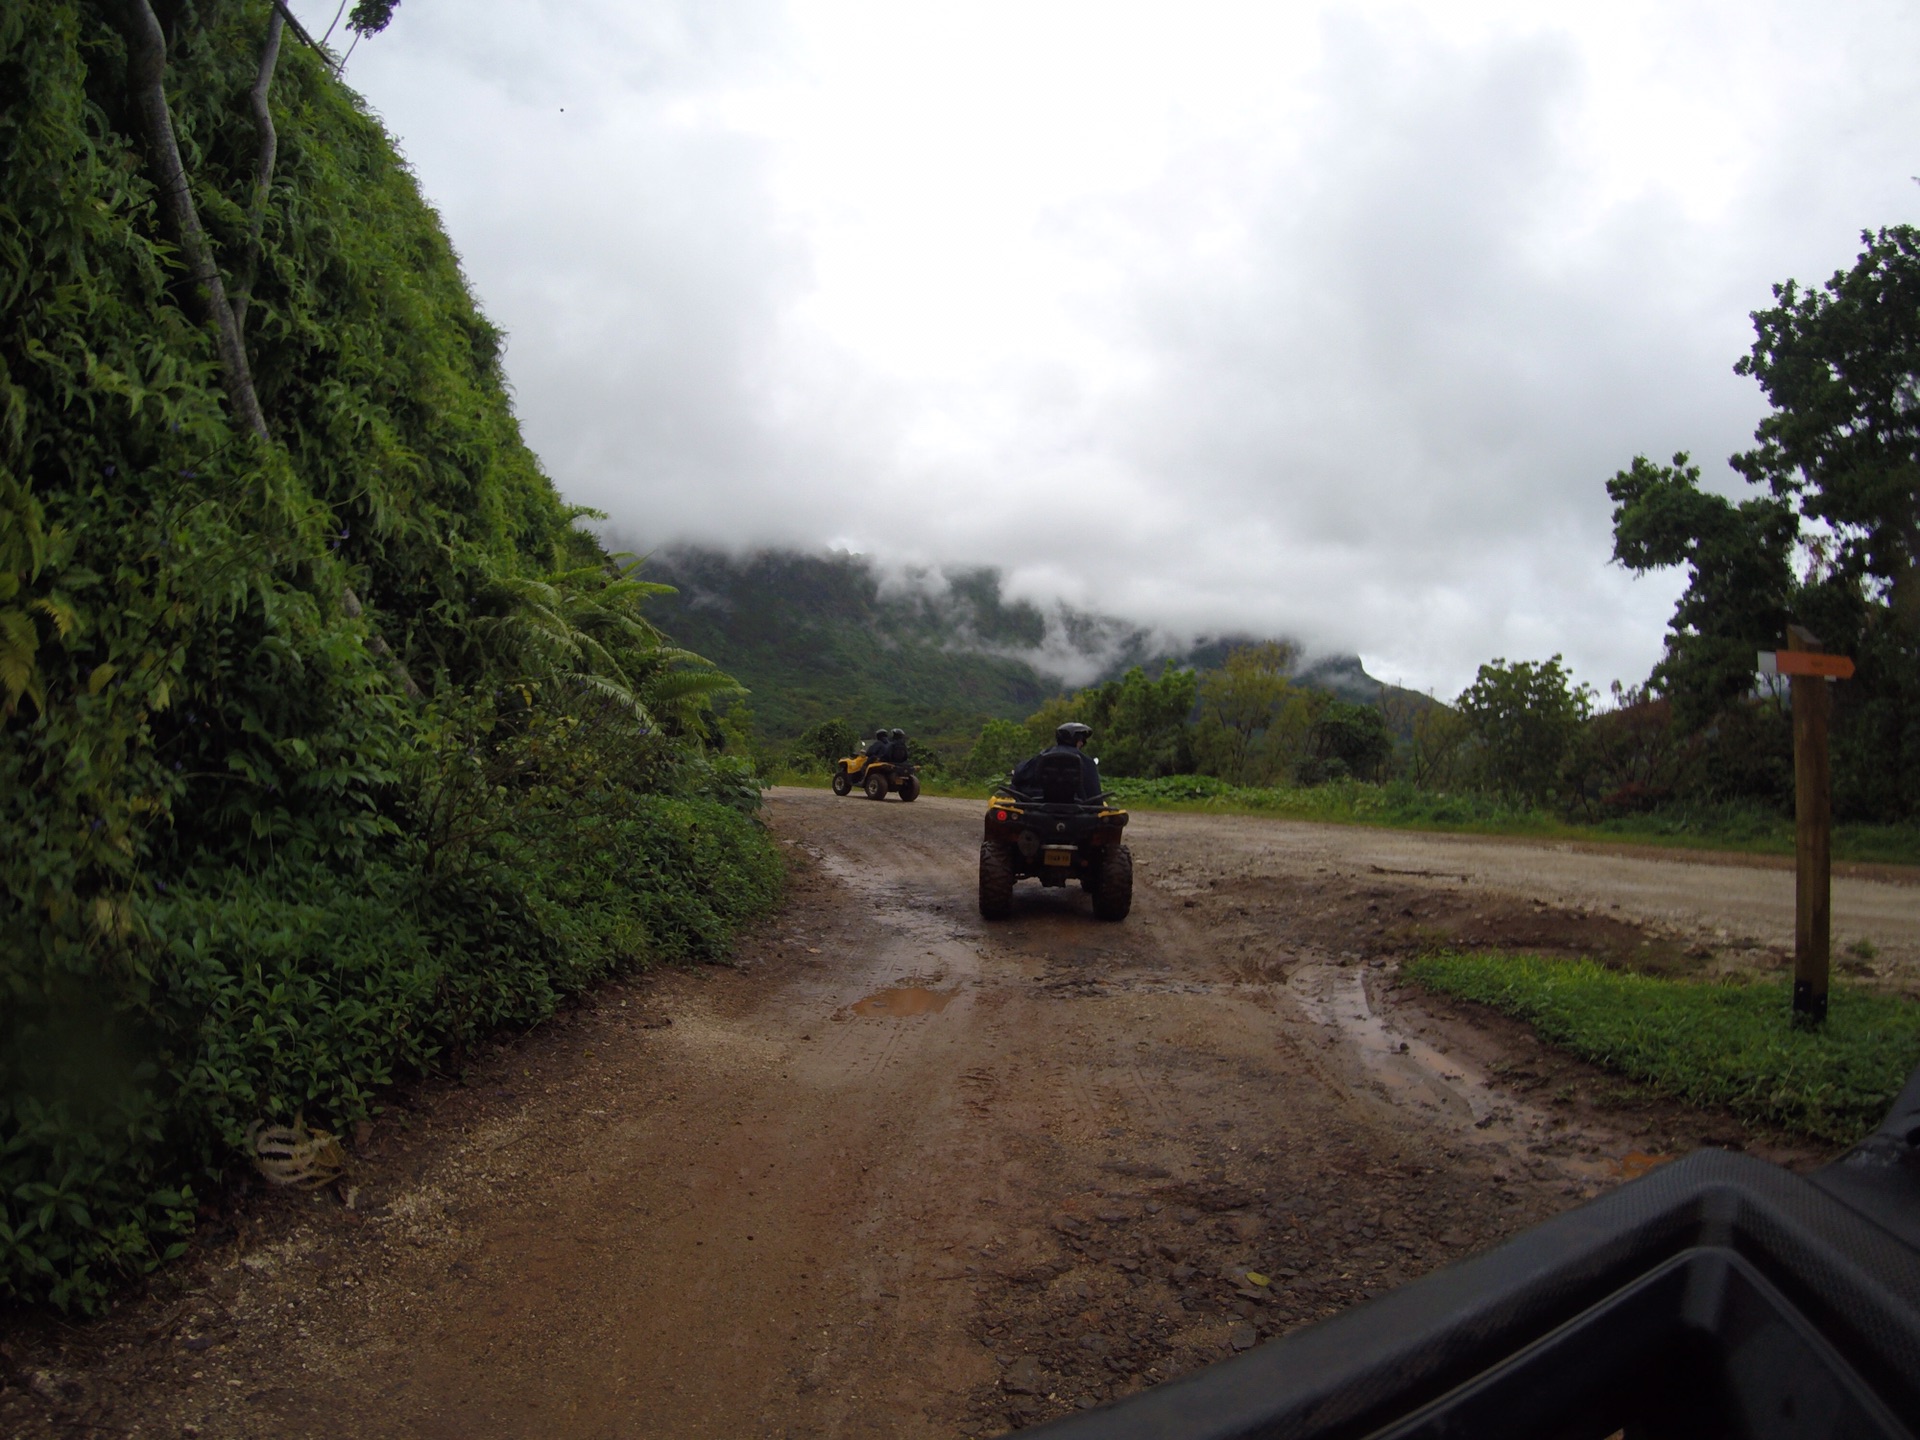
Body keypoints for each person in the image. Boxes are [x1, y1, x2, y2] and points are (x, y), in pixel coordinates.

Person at [1011, 721, 1103, 801]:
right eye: (1081, 739)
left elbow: (1019, 774)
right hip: (1077, 809)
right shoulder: (1086, 761)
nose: (1082, 743)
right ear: (1074, 739)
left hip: (1041, 805)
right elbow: (1095, 793)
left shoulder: (1044, 755)